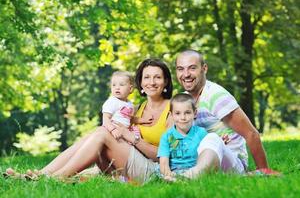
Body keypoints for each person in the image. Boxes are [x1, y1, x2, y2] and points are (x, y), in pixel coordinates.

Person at [6, 58, 174, 184]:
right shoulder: (136, 109)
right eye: (147, 78)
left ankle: (51, 178)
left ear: (165, 81)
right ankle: (39, 174)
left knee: (102, 133)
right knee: (100, 131)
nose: (151, 82)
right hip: (125, 164)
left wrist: (131, 138)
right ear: (140, 83)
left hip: (153, 171)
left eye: (157, 77)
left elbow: (166, 155)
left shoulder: (173, 110)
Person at [174, 49, 280, 177]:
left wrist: (263, 171)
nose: (186, 74)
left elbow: (251, 134)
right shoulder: (183, 100)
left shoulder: (216, 96)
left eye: (192, 68)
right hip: (201, 159)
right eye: (180, 69)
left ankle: (187, 177)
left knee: (212, 138)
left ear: (204, 69)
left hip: (231, 162)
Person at [157, 93, 207, 182]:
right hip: (173, 172)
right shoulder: (166, 137)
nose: (183, 117)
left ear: (194, 113)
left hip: (195, 172)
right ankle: (175, 181)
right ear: (171, 115)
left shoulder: (201, 133)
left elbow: (209, 152)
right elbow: (164, 164)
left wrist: (221, 141)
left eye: (187, 113)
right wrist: (169, 175)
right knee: (160, 176)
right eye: (177, 113)